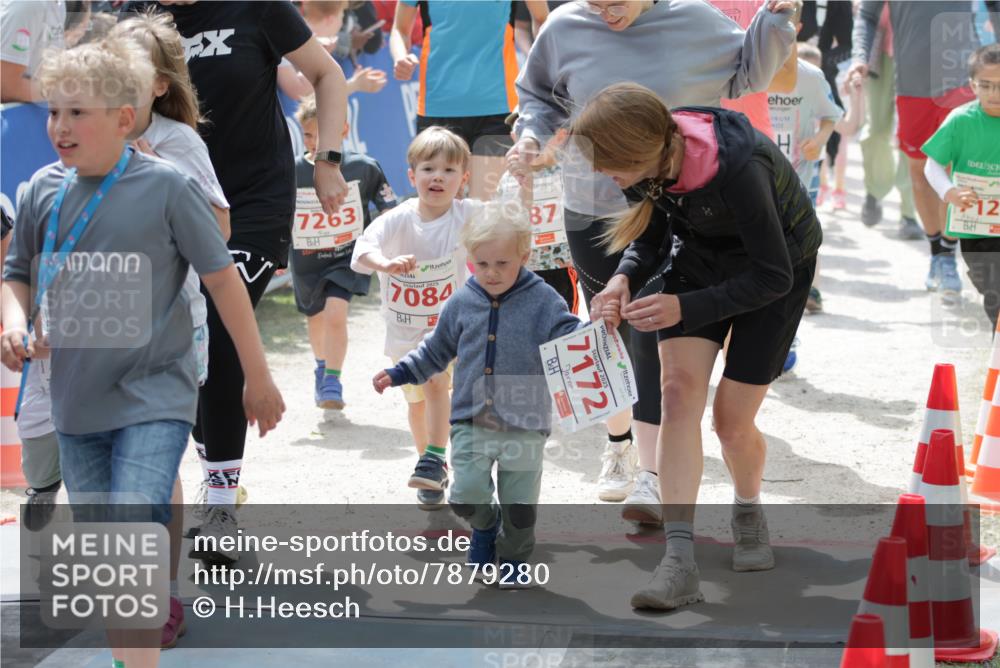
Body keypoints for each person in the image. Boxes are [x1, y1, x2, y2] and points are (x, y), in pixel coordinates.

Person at [0, 37, 284, 667]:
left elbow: (222, 279)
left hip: (157, 394)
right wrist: (14, 323)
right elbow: (14, 273)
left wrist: (256, 376)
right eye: (53, 111)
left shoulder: (167, 187)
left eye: (78, 112)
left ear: (123, 119)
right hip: (76, 403)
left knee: (128, 534)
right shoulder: (39, 192)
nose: (60, 126)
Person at [508, 0, 797, 514]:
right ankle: (618, 443)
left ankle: (650, 473)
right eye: (593, 1)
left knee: (649, 335)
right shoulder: (566, 24)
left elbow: (748, 72)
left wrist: (775, 19)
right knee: (608, 329)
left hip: (672, 207)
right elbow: (538, 95)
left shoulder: (696, 21)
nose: (603, 12)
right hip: (590, 205)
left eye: (615, 2)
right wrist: (531, 135)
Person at [122, 0, 350, 565]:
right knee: (189, 339)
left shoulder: (258, 6)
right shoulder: (134, 16)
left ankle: (220, 506)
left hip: (251, 201)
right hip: (169, 194)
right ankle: (210, 451)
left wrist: (327, 158)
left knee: (221, 330)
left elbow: (327, 73)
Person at [579, 83, 821, 609]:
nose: (604, 175)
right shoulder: (646, 160)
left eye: (611, 166)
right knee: (677, 394)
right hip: (703, 258)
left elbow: (772, 274)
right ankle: (679, 560)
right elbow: (651, 232)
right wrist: (622, 278)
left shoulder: (738, 166)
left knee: (732, 421)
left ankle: (748, 508)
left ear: (643, 151)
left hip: (777, 270)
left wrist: (685, 308)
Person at [109, 9, 236, 649]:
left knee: (154, 453)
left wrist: (160, 168)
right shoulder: (83, 133)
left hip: (171, 323)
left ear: (160, 83)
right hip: (104, 320)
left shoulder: (178, 142)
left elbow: (221, 229)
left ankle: (159, 592)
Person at [373, 200, 584, 587]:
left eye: (502, 263)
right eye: (481, 264)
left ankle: (515, 559)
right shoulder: (463, 299)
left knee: (519, 508)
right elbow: (436, 349)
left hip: (525, 422)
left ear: (524, 255)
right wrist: (400, 371)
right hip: (472, 418)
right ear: (470, 257)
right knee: (466, 495)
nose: (491, 273)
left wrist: (596, 337)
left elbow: (570, 338)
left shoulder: (543, 301)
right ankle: (485, 529)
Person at [351, 126, 475, 509]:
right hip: (402, 333)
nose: (437, 177)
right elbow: (363, 251)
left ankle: (435, 456)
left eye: (448, 171)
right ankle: (431, 472)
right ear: (411, 176)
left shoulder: (468, 214)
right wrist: (386, 264)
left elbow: (507, 224)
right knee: (417, 404)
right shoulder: (397, 220)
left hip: (448, 333)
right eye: (428, 168)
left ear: (464, 180)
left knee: (437, 384)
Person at [849, 1, 982, 302]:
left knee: (955, 172)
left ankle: (948, 253)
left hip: (961, 81)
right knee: (921, 174)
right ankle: (937, 252)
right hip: (912, 85)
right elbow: (867, 17)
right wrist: (860, 57)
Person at [290, 94, 397, 409]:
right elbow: (278, 213)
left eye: (321, 134)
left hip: (346, 256)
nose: (313, 142)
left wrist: (387, 239)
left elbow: (388, 208)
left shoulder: (363, 168)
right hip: (306, 261)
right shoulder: (291, 170)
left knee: (335, 311)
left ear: (343, 129)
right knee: (316, 318)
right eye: (308, 135)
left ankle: (333, 380)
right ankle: (322, 367)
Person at [390, 0, 549, 200]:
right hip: (438, 107)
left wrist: (546, 63)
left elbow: (543, 19)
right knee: (442, 207)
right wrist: (400, 56)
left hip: (497, 108)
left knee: (483, 209)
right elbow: (400, 29)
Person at [922, 44, 1000, 327]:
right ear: (972, 85)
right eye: (987, 86)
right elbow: (932, 165)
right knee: (993, 294)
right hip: (973, 226)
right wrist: (949, 192)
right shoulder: (960, 120)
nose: (995, 94)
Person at [768, 36, 843, 321]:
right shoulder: (746, 70)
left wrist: (819, 139)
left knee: (797, 245)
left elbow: (831, 115)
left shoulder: (810, 77)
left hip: (798, 176)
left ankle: (803, 299)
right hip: (753, 175)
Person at [856, 4, 918, 234]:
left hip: (919, 59)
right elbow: (866, 16)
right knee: (877, 130)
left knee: (912, 135)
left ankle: (909, 213)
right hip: (882, 55)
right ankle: (875, 190)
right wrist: (859, 56)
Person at [0, 0, 65, 103]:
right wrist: (63, 93)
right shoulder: (28, 4)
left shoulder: (59, 4)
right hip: (15, 114)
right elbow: (5, 87)